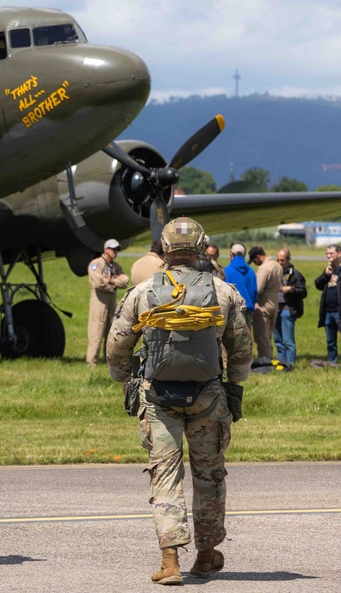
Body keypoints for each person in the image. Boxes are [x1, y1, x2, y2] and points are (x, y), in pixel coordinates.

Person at [106, 216, 252, 585]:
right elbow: (242, 349)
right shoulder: (223, 292)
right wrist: (235, 386)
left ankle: (170, 561)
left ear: (166, 249)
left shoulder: (142, 292)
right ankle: (205, 556)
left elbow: (117, 346)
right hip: (208, 395)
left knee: (165, 476)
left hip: (158, 397)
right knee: (209, 476)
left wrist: (126, 380)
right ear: (202, 247)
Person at [87, 238, 130, 367]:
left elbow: (125, 281)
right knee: (96, 333)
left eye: (117, 249)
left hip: (111, 302)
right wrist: (115, 282)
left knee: (110, 333)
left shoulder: (115, 266)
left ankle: (109, 362)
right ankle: (91, 363)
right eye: (113, 249)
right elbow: (98, 283)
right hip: (99, 303)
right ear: (106, 250)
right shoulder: (96, 264)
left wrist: (110, 281)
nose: (115, 252)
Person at [249, 246, 283, 362]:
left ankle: (264, 360)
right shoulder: (277, 266)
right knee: (268, 335)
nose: (255, 263)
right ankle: (269, 356)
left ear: (258, 257)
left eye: (254, 260)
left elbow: (258, 289)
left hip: (263, 304)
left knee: (261, 335)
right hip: (275, 303)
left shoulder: (264, 268)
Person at [274, 248, 307, 368]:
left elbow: (303, 292)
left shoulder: (296, 274)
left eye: (282, 260)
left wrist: (291, 289)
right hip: (276, 309)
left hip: (288, 309)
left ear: (289, 260)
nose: (280, 262)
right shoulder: (275, 272)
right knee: (278, 339)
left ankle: (290, 365)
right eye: (278, 260)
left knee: (288, 340)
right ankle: (281, 365)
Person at [314, 244, 341, 364]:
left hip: (339, 310)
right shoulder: (329, 269)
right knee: (330, 340)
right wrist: (326, 274)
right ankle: (332, 362)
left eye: (331, 253)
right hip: (328, 311)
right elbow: (318, 284)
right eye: (327, 254)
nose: (328, 256)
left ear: (339, 254)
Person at [223, 243, 257, 328]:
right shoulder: (251, 270)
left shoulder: (228, 270)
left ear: (231, 255)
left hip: (234, 313)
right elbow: (255, 292)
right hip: (248, 311)